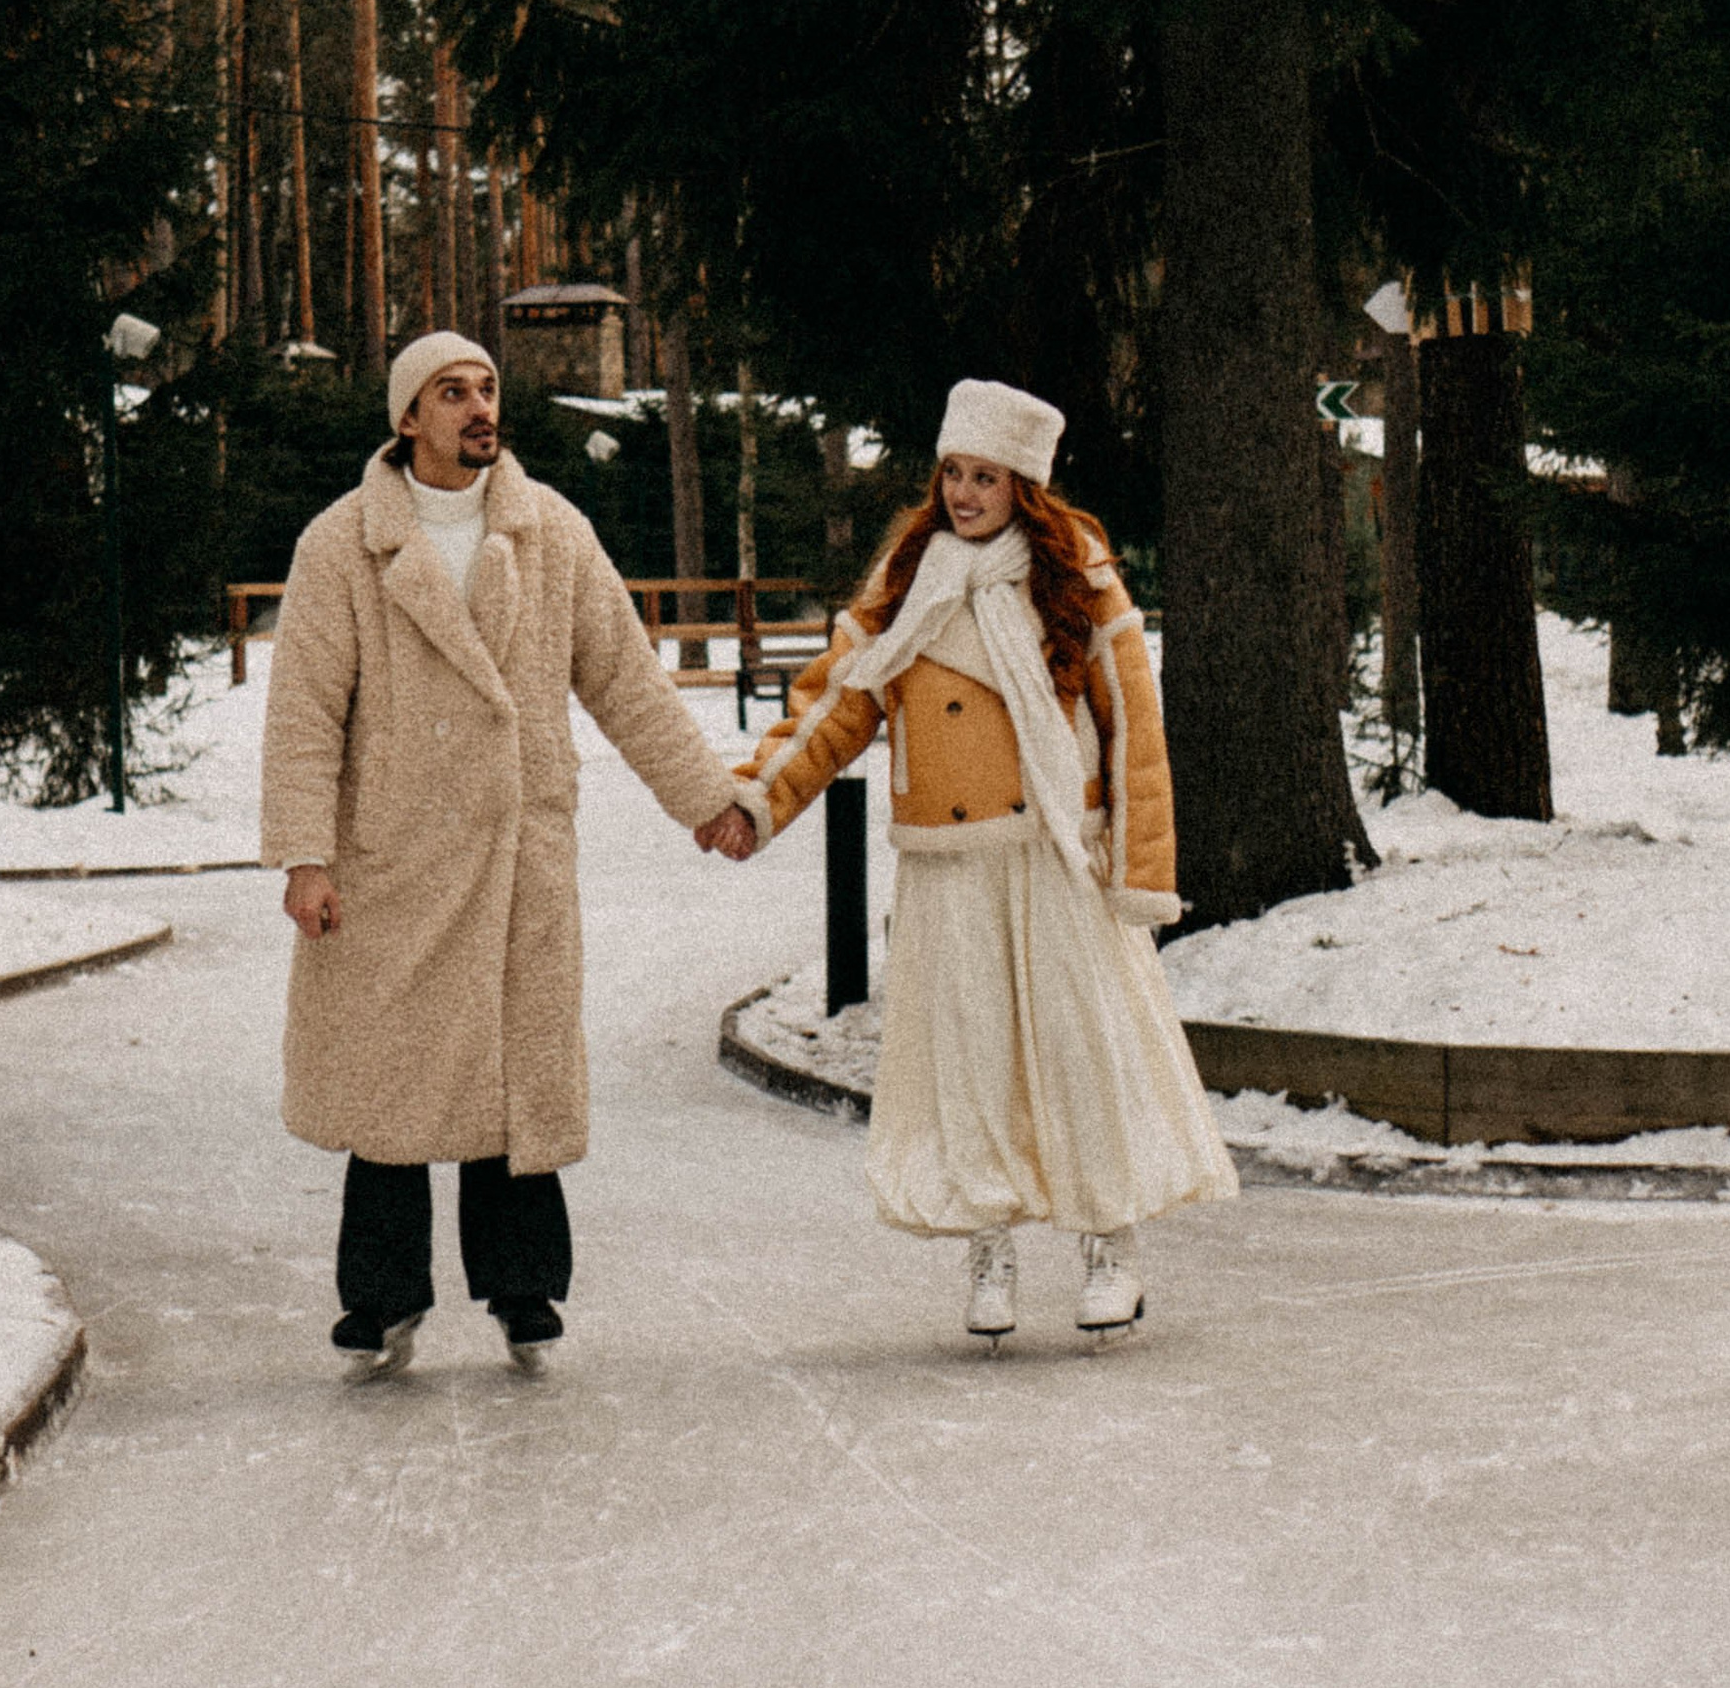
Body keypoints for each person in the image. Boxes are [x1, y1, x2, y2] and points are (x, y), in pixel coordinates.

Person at [260, 330, 757, 1377]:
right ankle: (382, 1297)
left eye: (487, 388)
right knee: (390, 1087)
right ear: (407, 418)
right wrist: (306, 855)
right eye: (452, 393)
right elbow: (304, 713)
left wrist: (705, 800)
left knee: (510, 1071)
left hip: (517, 849)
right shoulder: (342, 544)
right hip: (388, 859)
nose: (479, 407)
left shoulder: (552, 535)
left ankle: (522, 1287)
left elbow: (625, 680)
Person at [732, 377, 1234, 1344]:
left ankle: (1108, 1245)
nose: (962, 495)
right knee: (971, 1060)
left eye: (986, 478)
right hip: (949, 864)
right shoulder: (904, 581)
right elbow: (836, 705)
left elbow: (1134, 727)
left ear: (1025, 489)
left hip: (1054, 854)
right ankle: (989, 1247)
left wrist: (1139, 871)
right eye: (952, 473)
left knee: (1083, 1054)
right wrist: (759, 801)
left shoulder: (1077, 578)